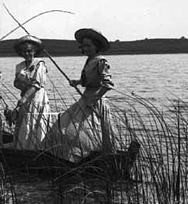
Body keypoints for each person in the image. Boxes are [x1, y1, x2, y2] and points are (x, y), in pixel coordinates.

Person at [46, 28, 115, 162]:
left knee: (81, 132)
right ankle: (74, 157)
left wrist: (94, 99)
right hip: (86, 98)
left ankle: (94, 156)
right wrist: (77, 82)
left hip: (95, 101)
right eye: (84, 46)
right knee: (62, 126)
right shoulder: (90, 60)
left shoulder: (101, 61)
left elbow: (107, 84)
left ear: (96, 46)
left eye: (89, 45)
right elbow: (89, 80)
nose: (86, 48)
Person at [11, 35, 51, 150]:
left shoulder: (39, 63)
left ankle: (38, 147)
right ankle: (24, 147)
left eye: (29, 51)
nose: (27, 54)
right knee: (24, 123)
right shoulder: (19, 66)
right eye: (24, 51)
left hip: (37, 97)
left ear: (34, 51)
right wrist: (22, 87)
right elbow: (16, 82)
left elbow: (37, 84)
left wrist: (25, 97)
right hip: (25, 96)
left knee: (35, 121)